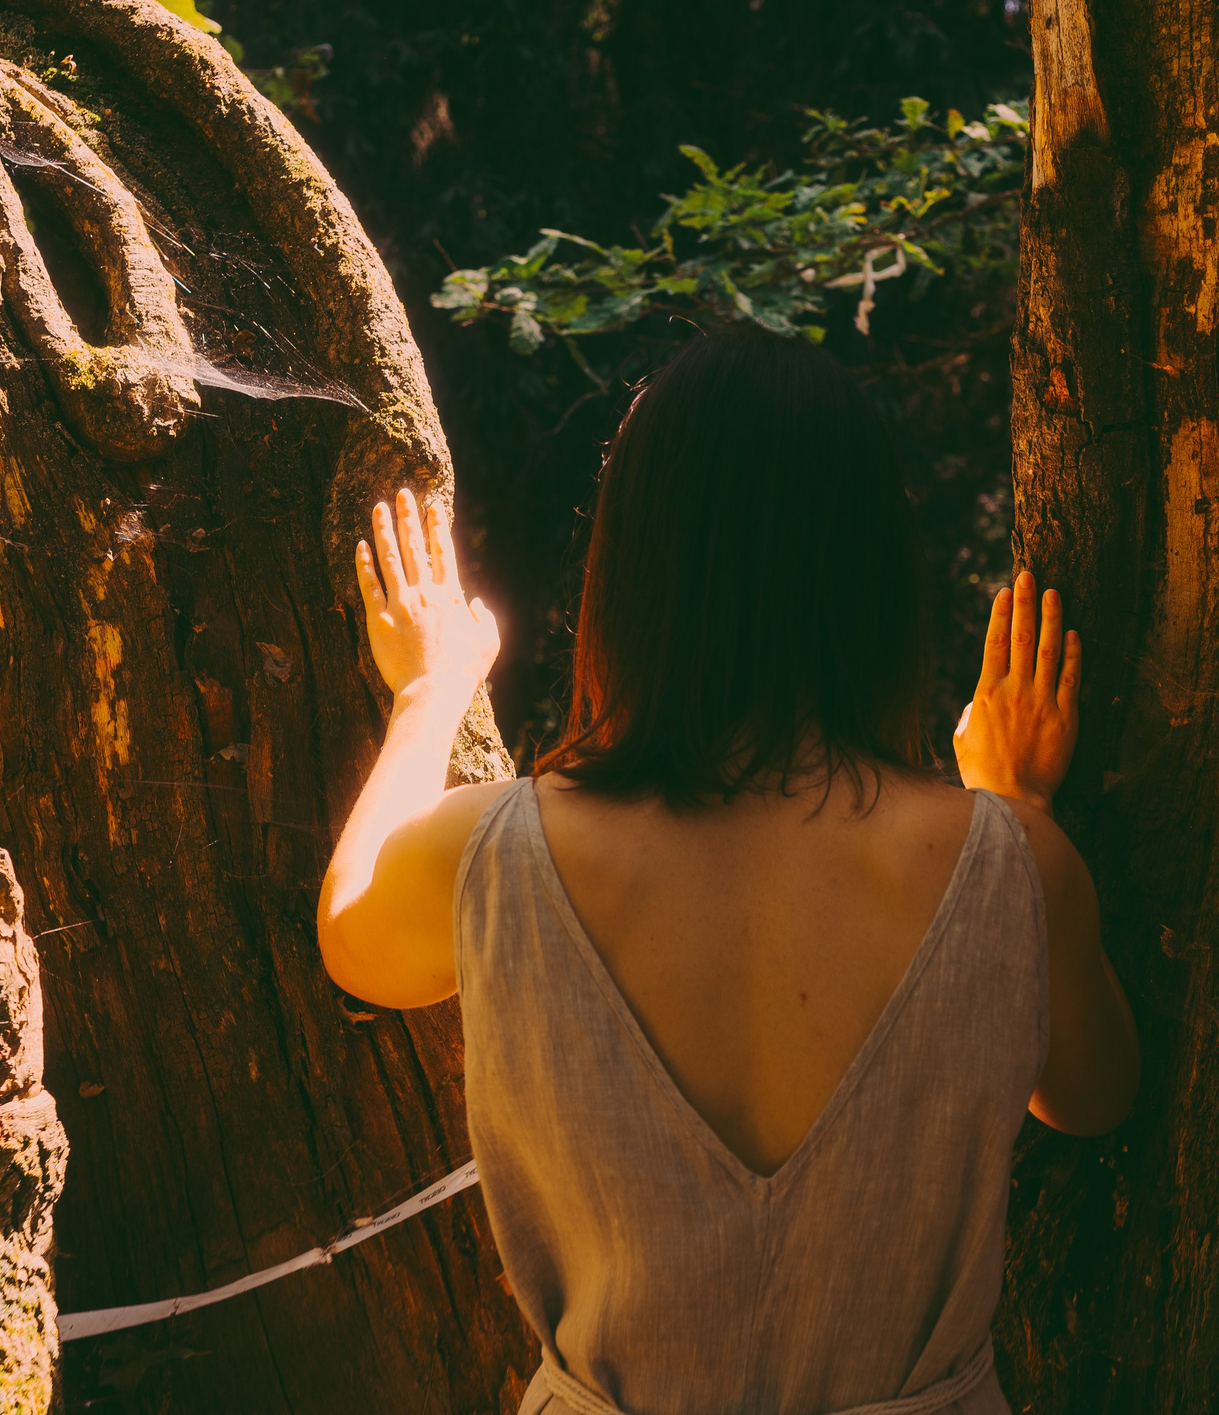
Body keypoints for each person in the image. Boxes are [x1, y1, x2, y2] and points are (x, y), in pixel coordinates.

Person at [319, 329, 1138, 1415]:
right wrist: (1018, 809)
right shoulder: (1011, 866)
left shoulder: (493, 851)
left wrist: (430, 691)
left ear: (633, 567)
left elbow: (354, 936)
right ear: (872, 572)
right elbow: (1090, 1097)